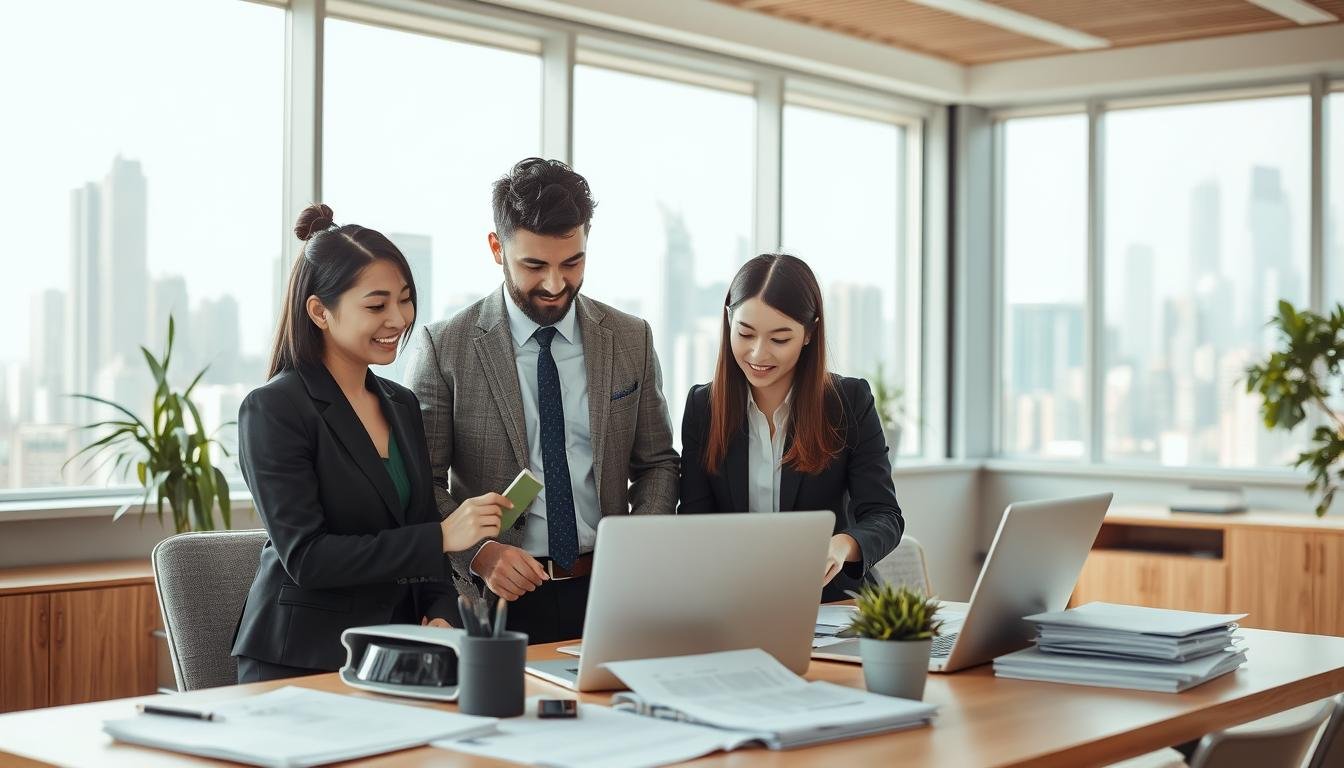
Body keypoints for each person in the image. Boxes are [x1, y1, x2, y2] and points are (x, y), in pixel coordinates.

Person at [406, 158, 679, 644]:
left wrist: (637, 546)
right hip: (497, 599)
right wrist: (479, 554)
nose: (556, 284)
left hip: (610, 591)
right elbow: (421, 484)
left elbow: (657, 462)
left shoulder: (630, 338)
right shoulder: (444, 347)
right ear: (497, 248)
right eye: (534, 265)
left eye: (572, 263)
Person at [232, 203, 505, 682]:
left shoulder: (400, 404)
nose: (399, 319)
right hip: (302, 659)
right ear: (319, 311)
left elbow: (418, 528)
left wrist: (441, 611)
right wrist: (443, 535)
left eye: (405, 299)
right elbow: (308, 558)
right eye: (376, 305)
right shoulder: (273, 409)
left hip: (396, 654)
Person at [678, 253, 904, 603]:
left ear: (809, 332)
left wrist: (841, 546)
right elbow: (694, 524)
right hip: (733, 603)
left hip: (831, 603)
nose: (758, 353)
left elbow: (885, 516)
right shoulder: (702, 409)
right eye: (745, 333)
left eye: (779, 339)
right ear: (728, 321)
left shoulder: (849, 402)